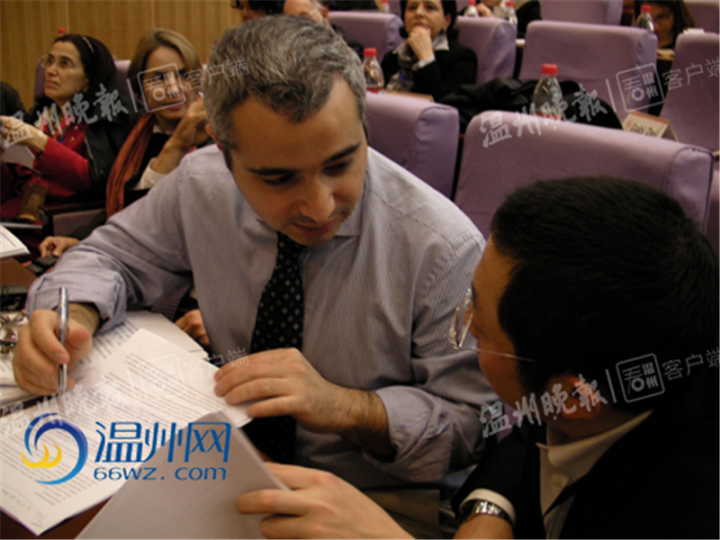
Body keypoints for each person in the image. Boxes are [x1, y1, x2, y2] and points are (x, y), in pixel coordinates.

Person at [15, 16, 494, 494]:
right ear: (224, 151)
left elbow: (474, 427)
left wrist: (347, 408)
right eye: (278, 178)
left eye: (340, 164)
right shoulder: (202, 184)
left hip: (369, 500)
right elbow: (110, 257)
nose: (320, 207)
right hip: (225, 466)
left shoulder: (442, 248)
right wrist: (72, 319)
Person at [234, 177, 719, 540]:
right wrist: (492, 509)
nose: (466, 323)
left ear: (573, 398)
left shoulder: (686, 514)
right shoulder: (611, 373)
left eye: (479, 329)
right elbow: (529, 435)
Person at [37, 28, 211, 346]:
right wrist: (81, 238)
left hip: (190, 286)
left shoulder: (216, 139)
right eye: (158, 78)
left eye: (184, 75)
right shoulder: (137, 132)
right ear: (140, 90)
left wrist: (178, 144)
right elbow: (125, 212)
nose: (174, 88)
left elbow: (155, 228)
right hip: (135, 279)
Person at [0, 34, 136, 223]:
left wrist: (40, 141)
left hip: (60, 221)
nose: (50, 71)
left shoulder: (103, 120)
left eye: (64, 64)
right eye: (50, 61)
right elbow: (17, 180)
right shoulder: (42, 116)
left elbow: (96, 182)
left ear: (88, 77)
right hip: (15, 216)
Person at [382, 0, 477, 102]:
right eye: (412, 7)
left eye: (430, 7)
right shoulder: (392, 57)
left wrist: (425, 58)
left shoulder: (462, 58)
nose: (418, 13)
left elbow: (446, 106)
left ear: (447, 20)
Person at [282, 0, 365, 58]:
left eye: (304, 17)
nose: (297, 25)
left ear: (324, 15)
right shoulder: (284, 50)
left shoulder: (349, 49)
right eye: (290, 21)